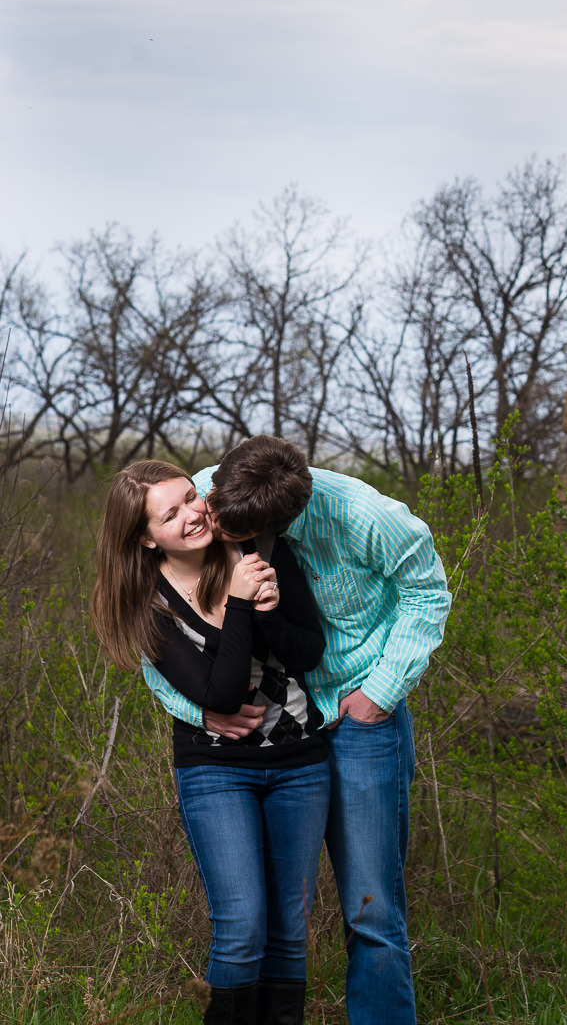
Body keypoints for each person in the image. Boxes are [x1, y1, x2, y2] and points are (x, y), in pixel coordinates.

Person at [141, 437, 452, 1025]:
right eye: (211, 516)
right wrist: (197, 712)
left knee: (370, 908)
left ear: (284, 525)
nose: (212, 529)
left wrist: (378, 695)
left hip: (357, 710)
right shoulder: (205, 492)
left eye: (238, 534)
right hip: (275, 737)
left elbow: (426, 593)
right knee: (273, 919)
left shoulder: (369, 518)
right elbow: (152, 635)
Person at [91, 460, 331, 1025]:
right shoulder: (149, 604)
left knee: (288, 931)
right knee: (243, 926)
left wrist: (266, 608)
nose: (191, 515)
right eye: (168, 515)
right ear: (147, 539)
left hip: (301, 763)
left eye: (189, 498)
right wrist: (242, 603)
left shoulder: (263, 551)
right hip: (216, 771)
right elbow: (220, 695)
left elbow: (308, 654)